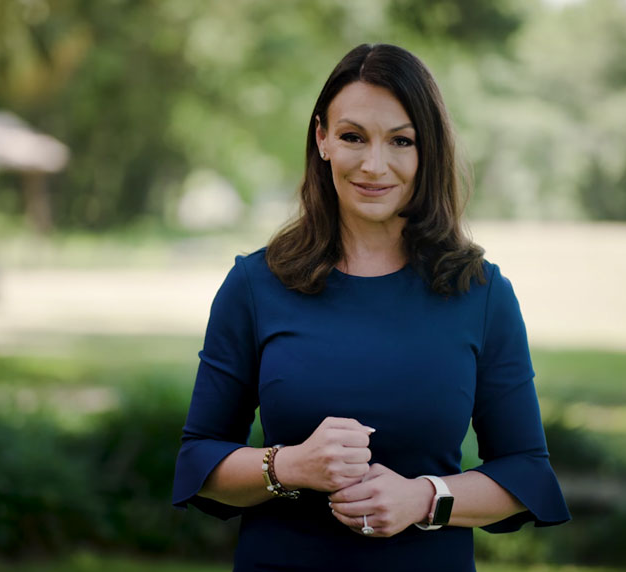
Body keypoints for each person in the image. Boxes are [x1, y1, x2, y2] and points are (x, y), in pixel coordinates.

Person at [172, 43, 570, 571]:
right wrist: (288, 465)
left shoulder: (481, 292)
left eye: (400, 141)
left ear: (427, 150)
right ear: (322, 140)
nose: (374, 165)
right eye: (353, 137)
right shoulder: (256, 284)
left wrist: (425, 498)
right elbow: (199, 460)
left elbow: (525, 474)